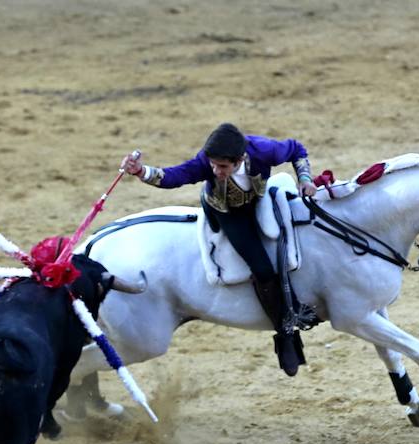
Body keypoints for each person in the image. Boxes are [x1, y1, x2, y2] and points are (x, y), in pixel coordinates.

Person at [120, 123, 326, 376]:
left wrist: (305, 179)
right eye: (214, 165)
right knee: (261, 266)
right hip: (225, 211)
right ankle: (285, 334)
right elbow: (174, 176)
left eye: (223, 167)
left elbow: (297, 149)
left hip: (258, 200)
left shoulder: (263, 150)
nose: (215, 170)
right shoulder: (206, 162)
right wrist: (142, 171)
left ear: (240, 159)